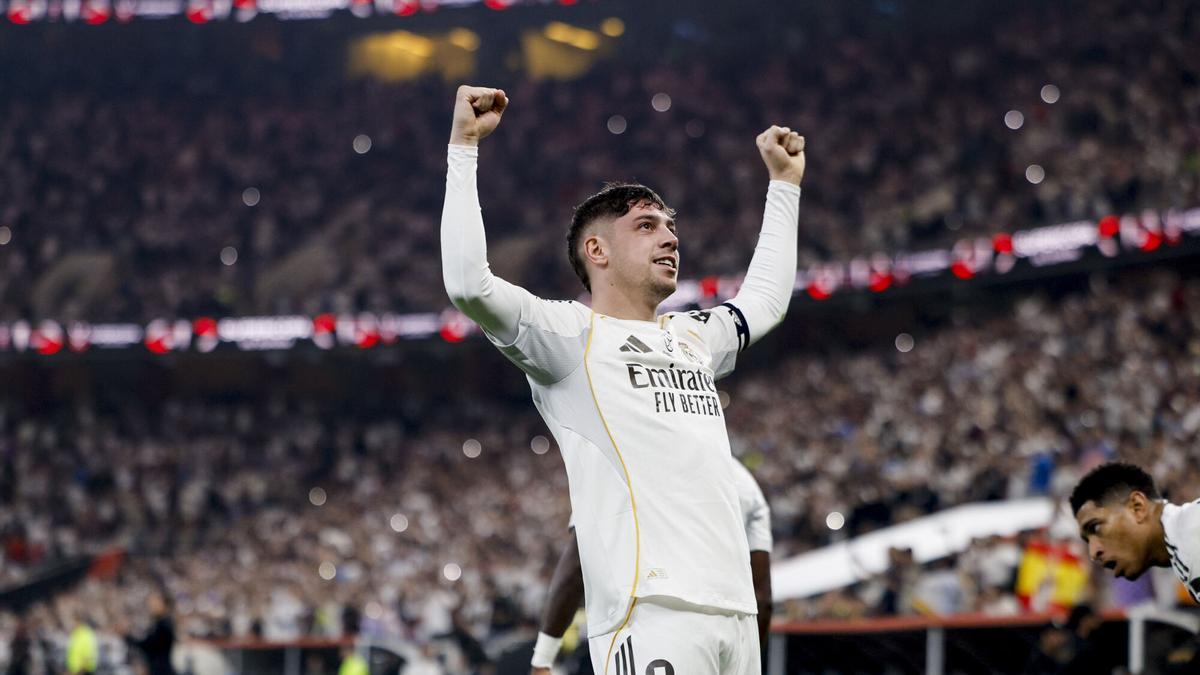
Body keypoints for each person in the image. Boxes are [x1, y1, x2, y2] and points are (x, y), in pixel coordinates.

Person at [441, 85, 803, 674]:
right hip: (650, 611)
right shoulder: (566, 338)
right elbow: (467, 284)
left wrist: (784, 185)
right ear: (597, 250)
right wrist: (464, 148)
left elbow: (764, 300)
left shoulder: (694, 338)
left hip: (735, 614)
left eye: (669, 225)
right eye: (645, 226)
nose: (670, 237)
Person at [530, 457, 774, 674]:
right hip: (736, 632)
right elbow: (762, 595)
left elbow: (576, 565)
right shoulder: (746, 484)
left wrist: (543, 657)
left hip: (656, 626)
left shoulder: (622, 462)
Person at [1070, 462, 1200, 600]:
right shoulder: (1181, 546)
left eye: (1096, 527)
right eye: (1087, 540)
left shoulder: (1192, 528)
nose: (1093, 553)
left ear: (1137, 507)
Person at [123, 591, 177, 675]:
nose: (151, 605)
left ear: (164, 605)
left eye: (156, 602)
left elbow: (148, 645)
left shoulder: (164, 625)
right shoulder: (160, 623)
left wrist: (128, 636)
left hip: (161, 670)